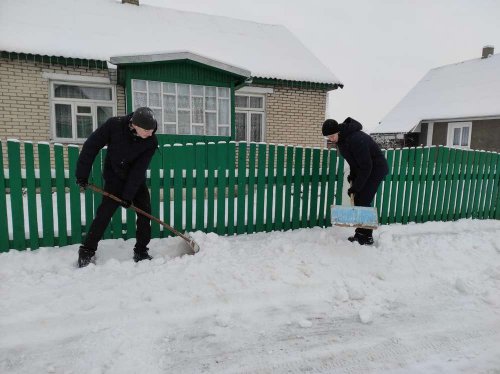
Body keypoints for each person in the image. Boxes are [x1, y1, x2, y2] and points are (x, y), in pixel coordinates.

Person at [75, 107, 159, 267]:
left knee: (145, 213)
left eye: (152, 129)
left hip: (135, 181)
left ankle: (141, 251)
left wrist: (128, 196)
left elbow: (138, 170)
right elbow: (91, 146)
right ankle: (87, 250)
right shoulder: (114, 126)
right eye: (147, 130)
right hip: (114, 177)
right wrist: (82, 174)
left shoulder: (151, 141)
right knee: (104, 214)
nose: (151, 133)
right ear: (134, 125)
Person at [322, 117, 388, 245]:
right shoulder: (342, 140)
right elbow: (354, 161)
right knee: (358, 199)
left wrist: (356, 187)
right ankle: (361, 233)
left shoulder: (356, 139)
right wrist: (353, 175)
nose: (330, 139)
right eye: (328, 137)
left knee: (364, 199)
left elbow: (366, 165)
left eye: (331, 136)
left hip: (376, 169)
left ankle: (367, 237)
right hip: (366, 168)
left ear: (338, 132)